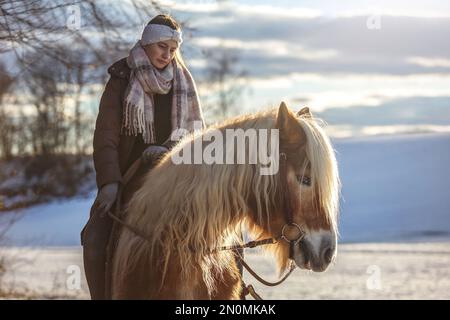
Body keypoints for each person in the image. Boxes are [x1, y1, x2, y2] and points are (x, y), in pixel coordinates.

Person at [80, 14, 205, 300]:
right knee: (95, 238)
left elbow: (197, 135)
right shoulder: (122, 79)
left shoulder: (184, 82)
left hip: (177, 176)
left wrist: (171, 154)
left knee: (222, 233)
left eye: (173, 49)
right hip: (129, 177)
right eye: (162, 46)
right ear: (147, 43)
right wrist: (110, 183)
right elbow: (106, 137)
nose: (168, 54)